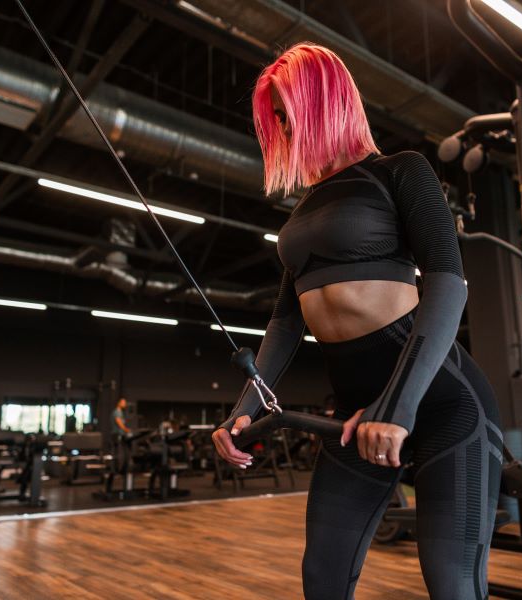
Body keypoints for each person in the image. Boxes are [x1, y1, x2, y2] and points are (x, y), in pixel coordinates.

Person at [211, 43, 502, 600]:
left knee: (452, 583)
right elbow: (285, 321)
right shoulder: (300, 214)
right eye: (274, 115)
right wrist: (242, 414)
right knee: (322, 576)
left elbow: (447, 282)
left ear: (322, 98)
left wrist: (397, 407)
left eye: (285, 108)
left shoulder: (400, 172)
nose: (280, 124)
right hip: (353, 415)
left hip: (440, 401)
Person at [111, 397, 132, 473]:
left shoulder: (121, 412)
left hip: (121, 435)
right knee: (119, 453)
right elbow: (119, 422)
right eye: (123, 402)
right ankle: (117, 470)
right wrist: (126, 429)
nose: (125, 404)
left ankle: (122, 469)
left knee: (124, 452)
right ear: (119, 403)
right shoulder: (117, 412)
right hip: (117, 435)